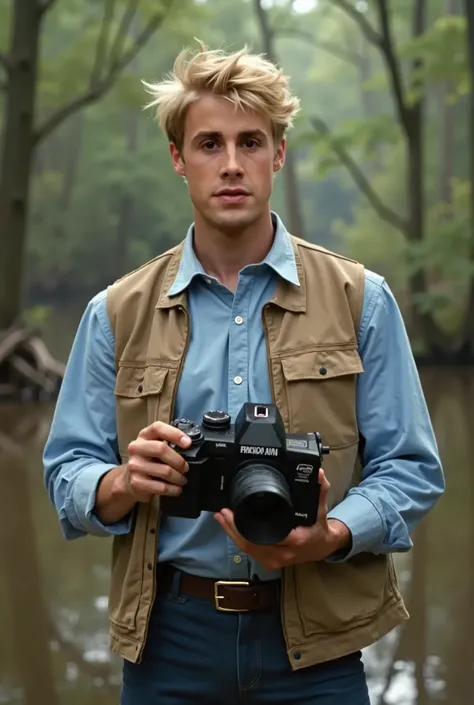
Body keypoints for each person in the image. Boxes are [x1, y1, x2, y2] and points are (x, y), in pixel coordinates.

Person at [43, 43, 445, 705]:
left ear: (279, 153)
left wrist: (331, 535)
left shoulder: (359, 300)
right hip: (168, 643)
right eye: (208, 143)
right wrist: (120, 480)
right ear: (178, 157)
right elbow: (65, 469)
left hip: (319, 644)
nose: (231, 165)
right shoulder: (115, 312)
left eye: (251, 141)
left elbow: (412, 466)